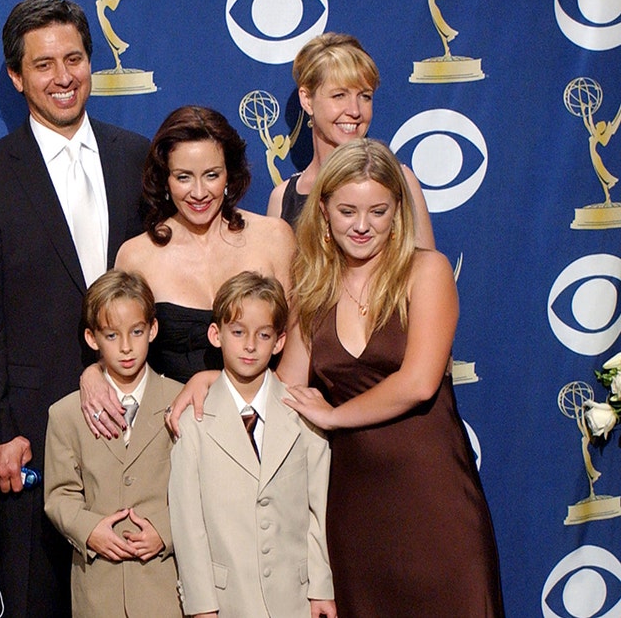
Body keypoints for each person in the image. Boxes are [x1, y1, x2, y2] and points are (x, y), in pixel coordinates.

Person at [171, 139, 503, 617]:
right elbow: (281, 387)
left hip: (433, 497)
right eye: (348, 210)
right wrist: (213, 380)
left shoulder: (427, 271)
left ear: (398, 212)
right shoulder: (312, 290)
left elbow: (419, 382)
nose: (363, 225)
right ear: (322, 210)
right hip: (351, 504)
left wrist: (335, 413)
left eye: (379, 211)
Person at [0, 0, 148, 617]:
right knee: (38, 599)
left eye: (74, 59)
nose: (63, 77)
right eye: (43, 64)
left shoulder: (140, 159)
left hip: (139, 426)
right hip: (32, 436)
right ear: (16, 76)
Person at [80, 106, 296, 439]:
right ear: (164, 179)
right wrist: (93, 373)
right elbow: (117, 344)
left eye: (211, 174)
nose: (198, 192)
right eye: (183, 177)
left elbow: (297, 341)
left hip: (265, 431)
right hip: (171, 437)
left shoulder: (274, 238)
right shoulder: (137, 255)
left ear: (230, 175)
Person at [168, 271, 334, 618]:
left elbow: (320, 509)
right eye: (238, 332)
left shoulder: (302, 415)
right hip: (228, 602)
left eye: (263, 335)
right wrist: (201, 606)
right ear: (216, 335)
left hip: (296, 599)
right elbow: (188, 524)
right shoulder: (194, 423)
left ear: (279, 342)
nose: (249, 346)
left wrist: (322, 588)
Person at [43, 269, 182, 618]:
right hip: (97, 593)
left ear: (152, 329)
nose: (125, 347)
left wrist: (165, 532)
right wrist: (90, 531)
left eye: (136, 332)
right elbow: (59, 495)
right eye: (111, 334)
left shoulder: (180, 401)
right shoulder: (66, 414)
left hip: (165, 588)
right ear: (92, 338)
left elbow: (202, 488)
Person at [266, 32, 435, 249]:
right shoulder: (283, 199)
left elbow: (427, 273)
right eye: (339, 96)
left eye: (365, 96)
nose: (355, 111)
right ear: (307, 100)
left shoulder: (399, 180)